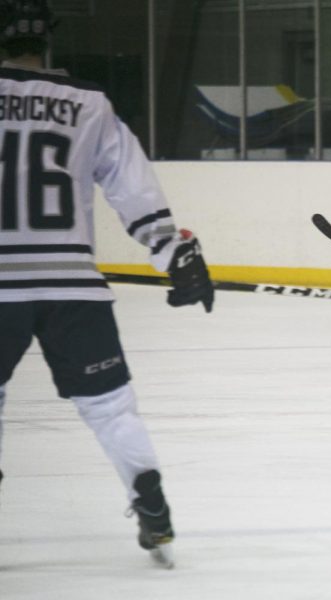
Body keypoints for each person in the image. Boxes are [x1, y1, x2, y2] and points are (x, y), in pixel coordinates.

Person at [0, 0, 214, 567]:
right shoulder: (89, 102)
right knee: (111, 407)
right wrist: (174, 254)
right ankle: (149, 498)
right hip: (73, 284)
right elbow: (131, 186)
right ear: (48, 40)